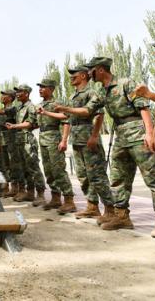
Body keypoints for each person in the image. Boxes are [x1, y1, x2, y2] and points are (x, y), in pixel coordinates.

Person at [57, 57, 155, 237]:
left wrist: (150, 133)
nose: (89, 74)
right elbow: (88, 110)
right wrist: (66, 109)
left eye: (91, 70)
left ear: (101, 70)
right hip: (120, 135)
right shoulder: (101, 91)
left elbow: (143, 107)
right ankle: (122, 216)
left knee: (154, 178)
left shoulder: (125, 83)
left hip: (137, 133)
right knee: (118, 177)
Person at [45, 66, 114, 222]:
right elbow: (68, 119)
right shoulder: (74, 95)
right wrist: (65, 139)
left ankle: (110, 210)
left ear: (83, 76)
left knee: (97, 176)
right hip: (77, 140)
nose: (71, 78)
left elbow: (98, 115)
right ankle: (92, 206)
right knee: (83, 176)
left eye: (74, 76)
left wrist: (95, 136)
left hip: (88, 138)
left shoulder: (92, 92)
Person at [35, 78, 76, 213]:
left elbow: (66, 120)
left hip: (54, 139)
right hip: (43, 139)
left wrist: (64, 140)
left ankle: (69, 200)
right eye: (39, 87)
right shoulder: (40, 104)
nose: (40, 89)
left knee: (58, 170)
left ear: (51, 89)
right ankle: (55, 198)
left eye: (43, 87)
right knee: (48, 170)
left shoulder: (57, 103)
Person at [5, 84, 46, 205]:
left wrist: (14, 126)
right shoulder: (19, 107)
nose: (17, 94)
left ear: (27, 94)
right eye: (16, 92)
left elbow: (30, 123)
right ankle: (29, 192)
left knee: (33, 167)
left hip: (27, 139)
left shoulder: (31, 107)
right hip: (19, 139)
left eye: (20, 92)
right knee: (23, 168)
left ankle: (40, 194)